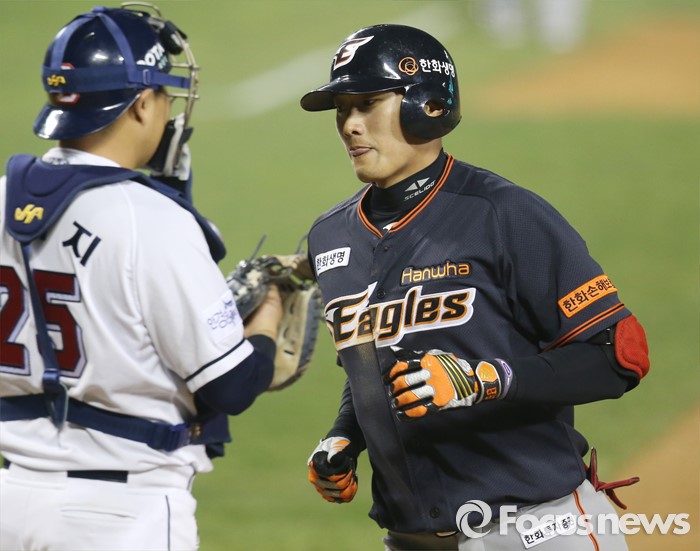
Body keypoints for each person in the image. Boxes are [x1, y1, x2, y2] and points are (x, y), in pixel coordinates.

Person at [300, 24, 649, 551]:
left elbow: (620, 355)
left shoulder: (503, 214)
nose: (350, 124)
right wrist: (344, 438)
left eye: (367, 103)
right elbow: (369, 364)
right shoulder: (330, 237)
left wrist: (487, 379)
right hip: (410, 539)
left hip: (535, 530)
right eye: (342, 109)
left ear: (427, 105)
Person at [0, 5, 283, 550]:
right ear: (141, 104)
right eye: (165, 95)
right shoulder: (152, 219)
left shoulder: (2, 197)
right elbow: (231, 386)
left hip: (11, 501)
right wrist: (266, 323)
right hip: (120, 516)